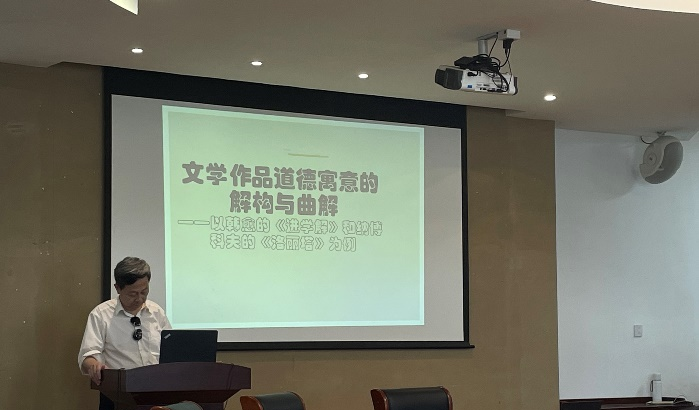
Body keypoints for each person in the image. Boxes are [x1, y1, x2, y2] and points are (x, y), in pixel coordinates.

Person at [78, 256, 172, 410]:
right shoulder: (101, 315)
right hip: (117, 396)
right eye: (133, 294)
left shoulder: (156, 313)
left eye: (144, 292)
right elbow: (87, 356)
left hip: (157, 393)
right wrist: (94, 365)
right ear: (118, 288)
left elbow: (171, 350)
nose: (140, 298)